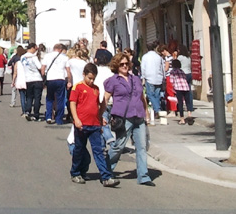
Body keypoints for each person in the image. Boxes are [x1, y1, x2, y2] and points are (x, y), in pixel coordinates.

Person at [103, 52, 154, 186]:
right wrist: (102, 115)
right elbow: (106, 99)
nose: (125, 66)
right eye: (122, 64)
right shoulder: (113, 81)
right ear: (116, 66)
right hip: (123, 118)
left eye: (127, 64)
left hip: (139, 116)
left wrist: (147, 114)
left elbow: (142, 98)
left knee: (141, 147)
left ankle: (143, 176)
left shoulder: (135, 79)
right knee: (119, 145)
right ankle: (107, 170)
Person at [69, 63, 118, 187]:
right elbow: (73, 104)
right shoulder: (77, 87)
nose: (91, 81)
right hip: (81, 124)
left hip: (95, 125)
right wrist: (76, 119)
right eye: (89, 78)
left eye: (93, 78)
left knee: (98, 151)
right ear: (84, 75)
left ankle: (106, 176)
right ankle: (76, 172)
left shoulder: (96, 89)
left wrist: (100, 118)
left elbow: (97, 106)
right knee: (79, 150)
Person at [42, 43, 71, 125]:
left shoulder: (47, 56)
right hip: (60, 79)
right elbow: (68, 70)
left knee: (49, 98)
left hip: (50, 79)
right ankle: (59, 119)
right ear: (60, 49)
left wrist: (43, 77)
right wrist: (69, 81)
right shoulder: (65, 58)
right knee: (60, 99)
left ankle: (48, 117)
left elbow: (43, 68)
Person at [141, 42, 166, 124]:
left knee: (150, 94)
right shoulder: (159, 57)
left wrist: (143, 77)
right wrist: (163, 77)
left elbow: (143, 68)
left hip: (149, 78)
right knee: (157, 95)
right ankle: (157, 110)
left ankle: (157, 109)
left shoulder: (145, 57)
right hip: (158, 78)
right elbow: (163, 67)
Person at [20, 42, 44, 120]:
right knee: (37, 98)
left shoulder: (23, 57)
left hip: (28, 79)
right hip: (37, 79)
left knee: (29, 97)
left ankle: (27, 111)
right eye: (35, 48)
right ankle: (36, 114)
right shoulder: (34, 57)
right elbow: (39, 67)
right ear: (32, 48)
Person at [169, 59, 193, 124]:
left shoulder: (172, 71)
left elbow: (172, 81)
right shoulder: (182, 71)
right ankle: (189, 114)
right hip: (186, 87)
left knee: (180, 103)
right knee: (187, 102)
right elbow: (185, 78)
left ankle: (182, 119)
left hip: (178, 88)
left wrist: (173, 88)